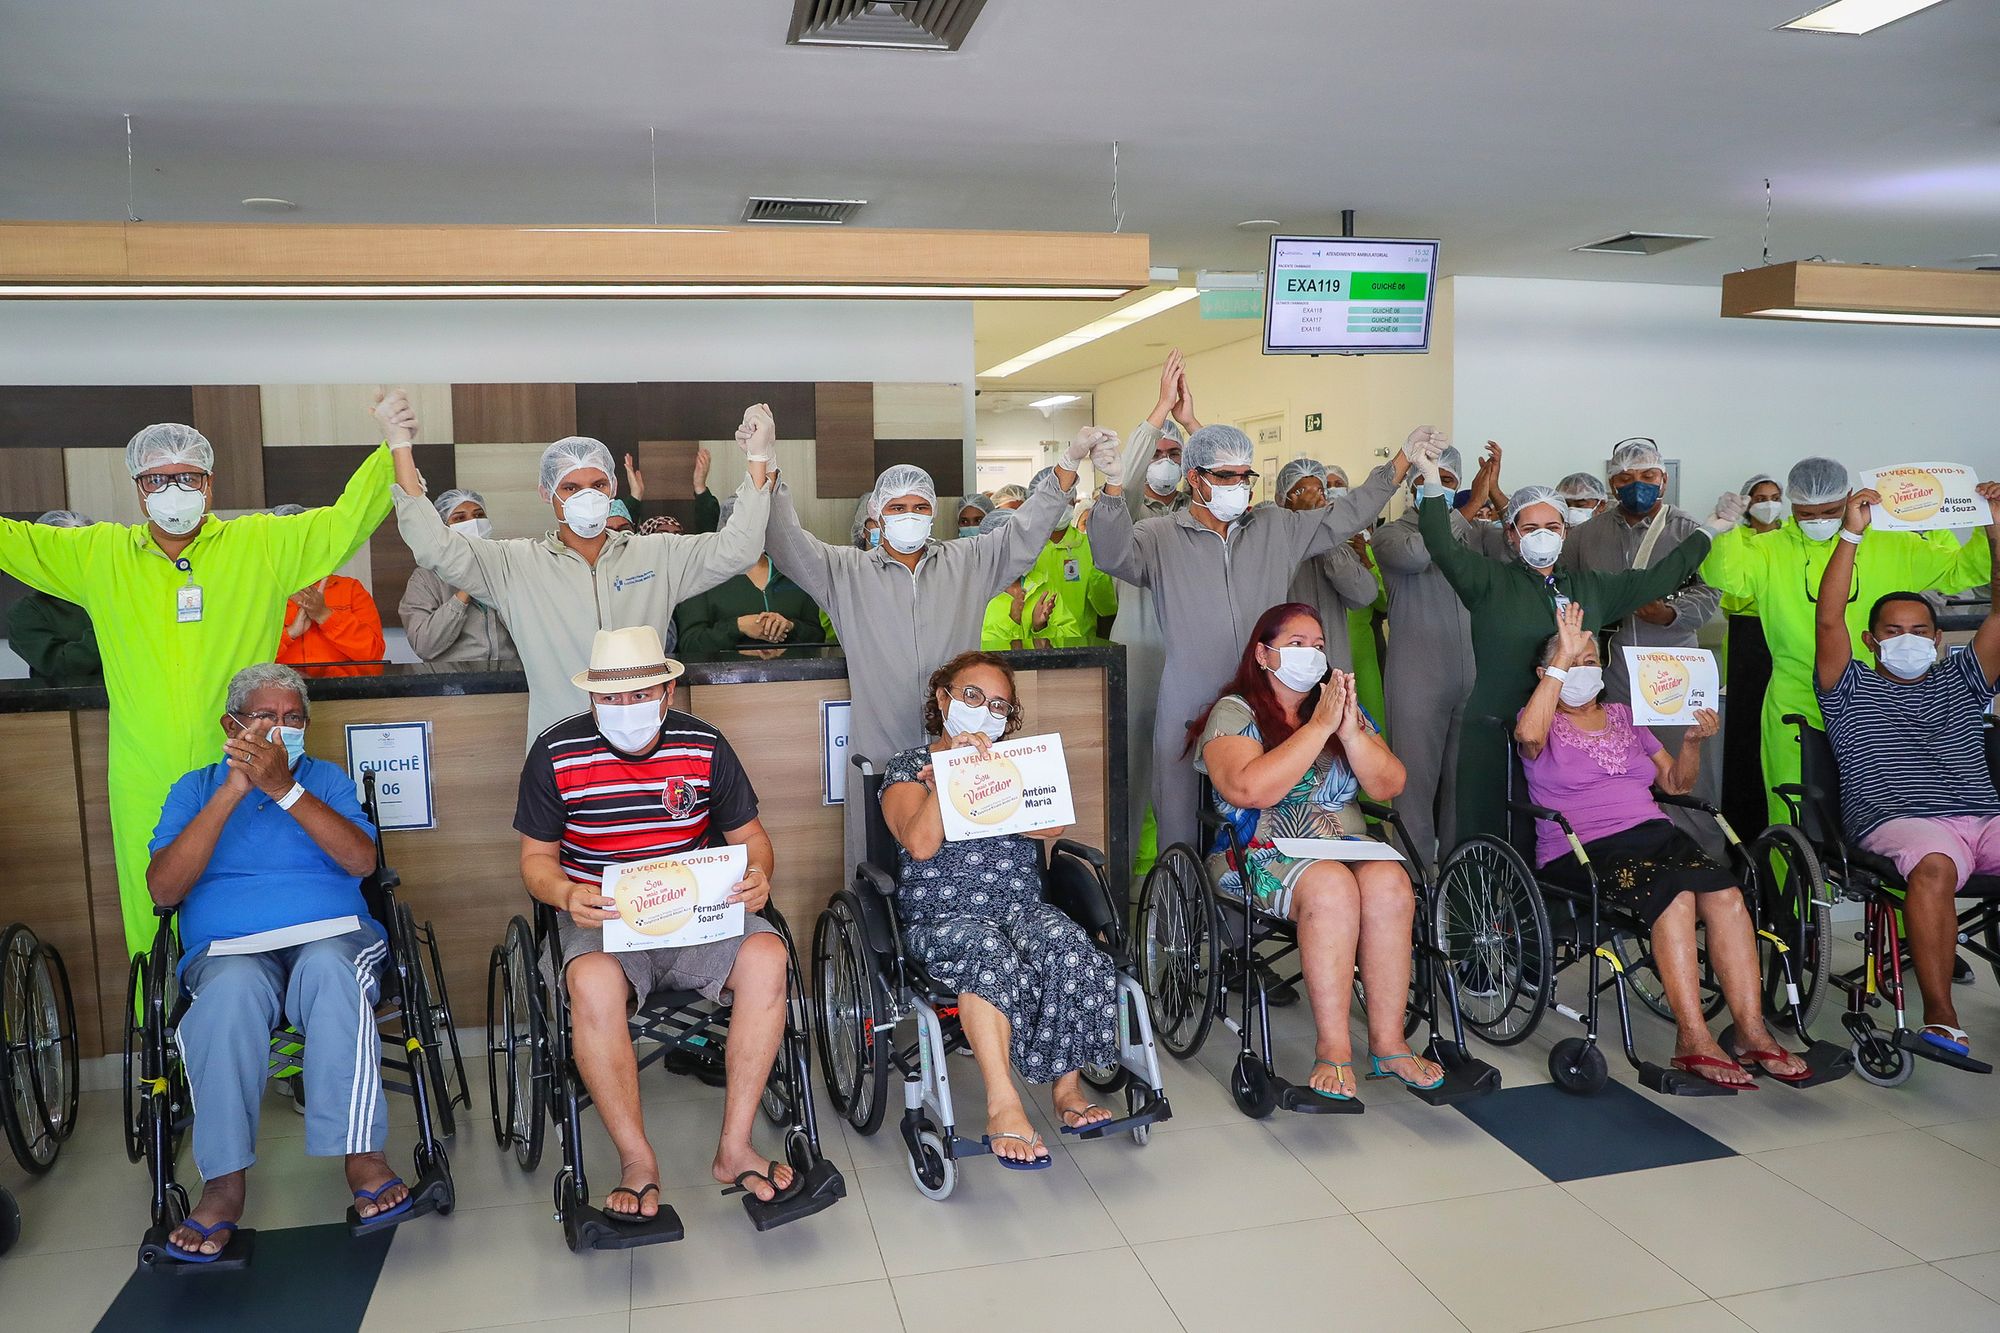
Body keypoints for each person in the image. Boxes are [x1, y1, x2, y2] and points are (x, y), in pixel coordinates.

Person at [0, 416, 392, 956]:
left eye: (187, 477)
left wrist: (392, 448)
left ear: (209, 484)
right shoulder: (96, 555)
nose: (173, 491)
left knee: (255, 885)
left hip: (245, 759)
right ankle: (166, 1027)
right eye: (157, 480)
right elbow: (10, 540)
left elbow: (348, 519)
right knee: (152, 903)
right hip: (145, 768)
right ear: (138, 490)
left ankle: (276, 1023)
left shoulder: (261, 544)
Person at [514, 626, 799, 1217]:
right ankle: (636, 1158)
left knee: (769, 956)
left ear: (668, 692)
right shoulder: (554, 752)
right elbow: (535, 861)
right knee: (590, 983)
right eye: (610, 698)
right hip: (605, 917)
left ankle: (735, 1146)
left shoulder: (705, 745)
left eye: (639, 695)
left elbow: (752, 839)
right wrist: (567, 892)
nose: (625, 709)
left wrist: (758, 876)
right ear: (590, 697)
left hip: (697, 910)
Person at [145, 664, 407, 1260]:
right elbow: (164, 890)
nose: (280, 729)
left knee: (332, 974)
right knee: (229, 996)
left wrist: (283, 789)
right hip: (229, 949)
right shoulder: (193, 788)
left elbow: (362, 862)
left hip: (333, 936)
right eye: (266, 717)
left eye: (293, 719)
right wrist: (235, 789)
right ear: (231, 724)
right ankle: (223, 1183)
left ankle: (363, 1157)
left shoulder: (327, 780)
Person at [764, 415, 1111, 859]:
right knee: (880, 859)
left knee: (972, 848)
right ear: (876, 515)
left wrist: (1066, 464)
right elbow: (788, 543)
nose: (910, 516)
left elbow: (1025, 532)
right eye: (897, 508)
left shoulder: (968, 561)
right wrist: (766, 466)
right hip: (883, 748)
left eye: (920, 507)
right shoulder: (845, 572)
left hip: (964, 738)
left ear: (933, 512)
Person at [1091, 415, 1431, 853]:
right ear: (1194, 479)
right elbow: (1110, 554)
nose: (1239, 485)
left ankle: (1244, 914)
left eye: (1244, 476)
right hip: (1187, 695)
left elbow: (1343, 516)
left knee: (1257, 823)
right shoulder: (1159, 536)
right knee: (1179, 821)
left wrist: (1399, 463)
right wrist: (1114, 490)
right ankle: (1175, 915)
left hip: (1264, 698)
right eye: (1225, 476)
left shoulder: (1275, 528)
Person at [1519, 607, 1809, 1087]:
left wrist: (1692, 741)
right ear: (1546, 673)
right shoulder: (1538, 721)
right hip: (1583, 847)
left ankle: (1751, 1032)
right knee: (1673, 899)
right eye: (1575, 661)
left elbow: (1675, 784)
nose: (1585, 668)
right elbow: (1528, 737)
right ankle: (1692, 1039)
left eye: (1591, 660)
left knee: (1728, 896)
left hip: (1653, 833)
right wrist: (1561, 659)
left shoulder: (1624, 716)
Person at [390, 394, 773, 742]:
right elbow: (432, 546)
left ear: (612, 489)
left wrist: (758, 460)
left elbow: (738, 549)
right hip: (559, 748)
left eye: (597, 483)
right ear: (547, 493)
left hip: (646, 742)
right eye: (571, 487)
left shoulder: (658, 554)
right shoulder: (513, 564)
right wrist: (401, 448)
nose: (586, 495)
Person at [1418, 462, 1741, 846]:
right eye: (1531, 528)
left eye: (1552, 527)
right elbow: (1440, 544)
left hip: (1568, 741)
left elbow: (1659, 577)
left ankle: (1556, 904)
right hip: (1499, 730)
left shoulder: (1590, 589)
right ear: (1511, 534)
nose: (1543, 536)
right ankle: (1475, 905)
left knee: (1563, 834)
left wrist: (1709, 530)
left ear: (1565, 532)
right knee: (1493, 832)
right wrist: (1431, 478)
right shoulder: (1489, 581)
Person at [878, 651, 1120, 1162]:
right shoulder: (905, 767)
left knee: (1067, 943)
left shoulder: (1017, 761)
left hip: (1019, 905)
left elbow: (1051, 825)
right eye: (972, 696)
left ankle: (1066, 1091)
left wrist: (995, 784)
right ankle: (1003, 1104)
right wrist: (951, 775)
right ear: (942, 698)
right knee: (988, 949)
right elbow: (919, 844)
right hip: (942, 917)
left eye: (999, 706)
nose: (986, 711)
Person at [1191, 603, 1438, 1098]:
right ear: (1264, 653)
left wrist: (1349, 730)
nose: (1312, 654)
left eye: (1319, 646)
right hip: (1258, 850)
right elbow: (1249, 790)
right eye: (1297, 644)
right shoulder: (1235, 712)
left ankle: (1389, 1044)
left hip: (1344, 845)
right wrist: (1319, 729)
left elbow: (1389, 785)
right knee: (1331, 886)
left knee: (1391, 883)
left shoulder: (1338, 706)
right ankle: (1334, 1050)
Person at [1814, 482, 2000, 1059]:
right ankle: (1943, 1018)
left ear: (1939, 639)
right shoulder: (1849, 688)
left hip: (1981, 815)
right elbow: (1827, 622)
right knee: (1937, 864)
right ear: (1871, 640)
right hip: (1899, 820)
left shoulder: (1962, 679)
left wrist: (1994, 527)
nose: (1908, 641)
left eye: (1920, 631)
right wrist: (1851, 533)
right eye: (1894, 632)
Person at [1702, 456, 1989, 826]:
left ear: (1851, 497)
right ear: (1792, 505)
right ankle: (1795, 886)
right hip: (1797, 705)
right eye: (1806, 514)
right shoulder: (1769, 549)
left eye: (1830, 511)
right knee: (1795, 812)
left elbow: (1964, 570)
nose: (1818, 521)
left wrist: (1986, 520)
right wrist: (1722, 531)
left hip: (1882, 706)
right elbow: (1727, 577)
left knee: (1891, 815)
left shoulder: (1893, 544)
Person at [1562, 438, 1724, 843]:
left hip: (1675, 670)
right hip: (1611, 672)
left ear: (1664, 479)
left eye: (1648, 475)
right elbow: (1565, 587)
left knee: (1686, 774)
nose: (1638, 484)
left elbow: (1711, 592)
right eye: (1626, 477)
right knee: (1618, 769)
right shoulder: (1587, 536)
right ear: (1612, 483)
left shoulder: (1689, 531)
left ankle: (1706, 865)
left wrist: (1671, 614)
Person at [1371, 445, 1508, 868]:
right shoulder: (1391, 535)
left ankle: (1457, 879)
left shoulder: (1477, 535)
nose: (1437, 488)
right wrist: (1467, 509)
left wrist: (1497, 496)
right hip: (1418, 679)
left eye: (1446, 480)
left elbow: (1518, 548)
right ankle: (1411, 885)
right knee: (1414, 785)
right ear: (1413, 487)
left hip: (1474, 676)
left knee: (1461, 788)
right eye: (1427, 480)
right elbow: (1420, 553)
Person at [1718, 473, 1782, 833]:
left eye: (1774, 496)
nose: (1768, 503)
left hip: (1786, 631)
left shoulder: (1793, 537)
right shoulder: (1735, 537)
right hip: (1748, 637)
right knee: (1747, 733)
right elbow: (1734, 596)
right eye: (1760, 497)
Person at [1278, 457, 1381, 679]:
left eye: (1318, 492)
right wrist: (1301, 529)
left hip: (1335, 666)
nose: (1312, 500)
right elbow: (1269, 591)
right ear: (1282, 500)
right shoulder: (1273, 545)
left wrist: (1325, 538)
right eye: (1302, 493)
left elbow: (1364, 594)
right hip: (1288, 671)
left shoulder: (1338, 547)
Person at [399, 489, 518, 663]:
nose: (474, 523)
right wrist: (467, 588)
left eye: (479, 515)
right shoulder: (425, 579)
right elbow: (424, 646)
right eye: (460, 518)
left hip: (512, 678)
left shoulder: (507, 564)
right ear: (443, 527)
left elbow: (533, 633)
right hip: (453, 683)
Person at [269, 505, 386, 667]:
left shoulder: (350, 589)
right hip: (281, 691)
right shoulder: (258, 594)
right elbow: (245, 661)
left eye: (302, 540)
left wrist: (324, 615)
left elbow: (373, 655)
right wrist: (290, 634)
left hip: (345, 691)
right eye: (283, 543)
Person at [672, 542, 827, 658]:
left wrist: (790, 627)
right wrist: (738, 626)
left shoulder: (795, 574)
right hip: (725, 687)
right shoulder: (702, 577)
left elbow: (817, 638)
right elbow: (689, 644)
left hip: (794, 684)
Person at [1020, 465, 1119, 640]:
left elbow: (1106, 607)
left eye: (1066, 498)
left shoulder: (1088, 546)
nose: (1060, 505)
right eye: (1053, 498)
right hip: (1030, 647)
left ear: (1074, 500)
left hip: (1081, 646)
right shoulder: (1025, 546)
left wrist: (1101, 571)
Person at [6, 510, 102, 683]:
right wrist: (111, 627)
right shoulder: (28, 610)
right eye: (63, 553)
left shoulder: (111, 594)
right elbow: (62, 665)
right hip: (69, 704)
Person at [622, 447, 722, 534]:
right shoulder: (638, 555)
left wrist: (700, 487)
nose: (671, 539)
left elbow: (708, 539)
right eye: (662, 535)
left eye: (677, 534)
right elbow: (619, 536)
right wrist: (635, 496)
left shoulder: (689, 555)